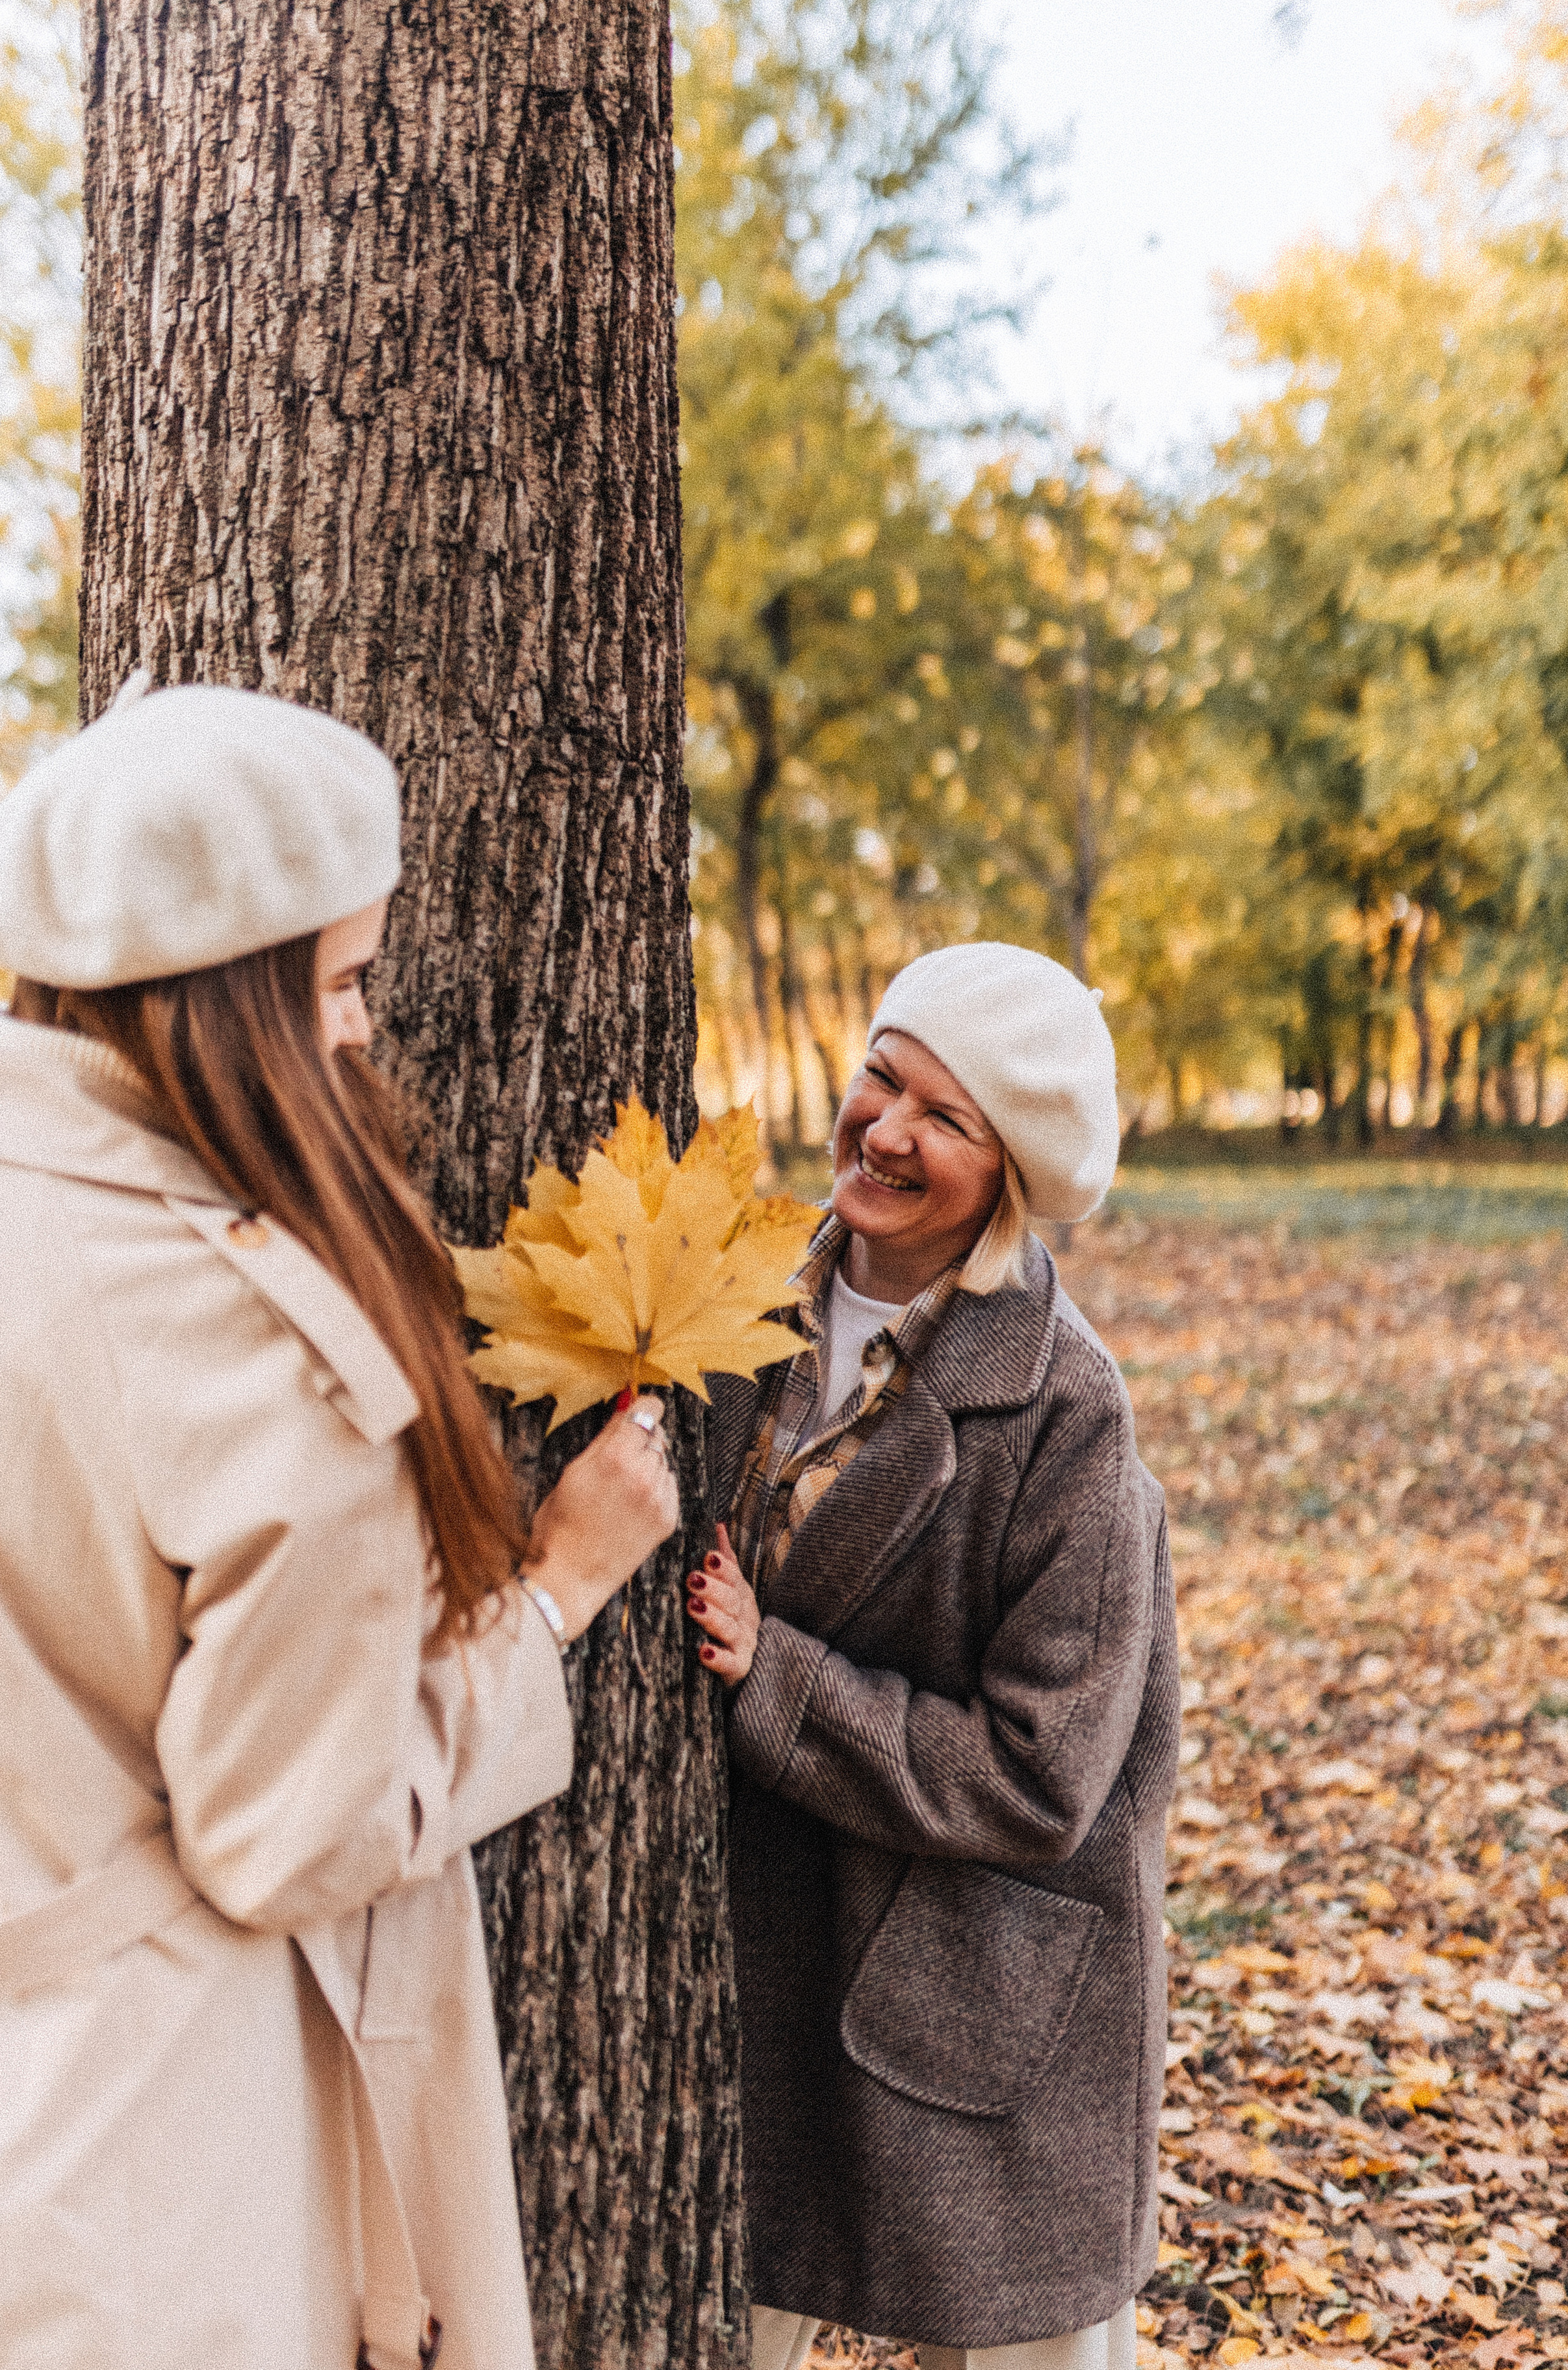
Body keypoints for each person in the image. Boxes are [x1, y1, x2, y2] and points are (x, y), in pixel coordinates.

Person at [0, 677, 681, 2370]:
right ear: (232, 1011)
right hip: (154, 2142)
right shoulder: (260, 1349)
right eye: (346, 982)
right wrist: (554, 1599)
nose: (370, 1030)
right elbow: (282, 1835)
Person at [686, 942, 1179, 2370]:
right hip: (764, 1937)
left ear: (1007, 1169)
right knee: (727, 2306)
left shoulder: (1068, 1415)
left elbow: (1044, 1773)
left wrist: (769, 1677)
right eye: (880, 1078)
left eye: (944, 1118)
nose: (884, 1131)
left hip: (989, 1964)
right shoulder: (728, 1308)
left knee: (1031, 2334)